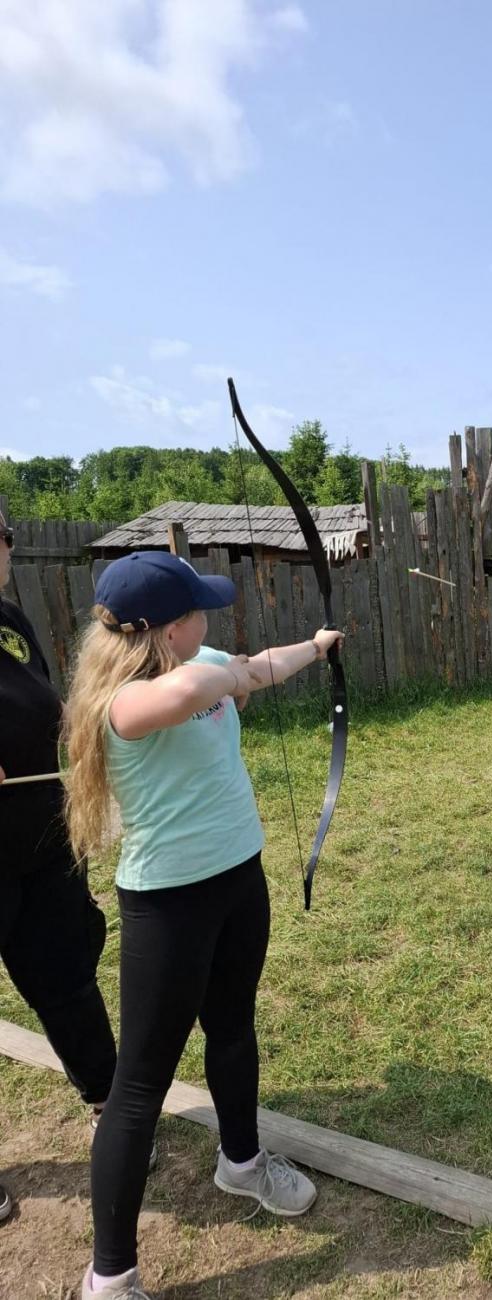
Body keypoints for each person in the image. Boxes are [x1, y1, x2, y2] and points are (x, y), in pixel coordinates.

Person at [64, 550, 342, 1300]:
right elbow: (202, 684)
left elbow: (254, 668)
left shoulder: (202, 661)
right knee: (139, 1086)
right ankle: (110, 1279)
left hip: (237, 882)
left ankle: (241, 1163)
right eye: (198, 612)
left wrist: (313, 649)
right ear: (164, 631)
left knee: (234, 1028)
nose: (210, 621)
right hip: (168, 906)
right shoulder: (122, 703)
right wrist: (234, 674)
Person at [0, 510, 118, 1226]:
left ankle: (112, 1110)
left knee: (67, 980)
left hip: (41, 843)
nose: (2, 549)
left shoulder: (9, 618)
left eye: (1, 535)